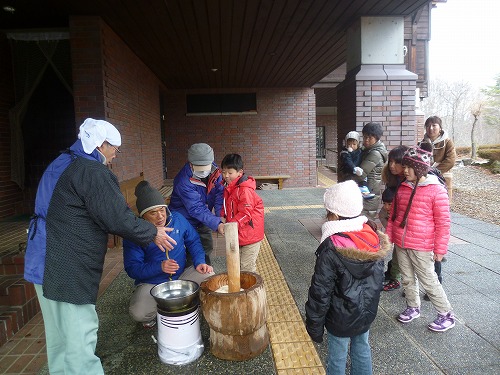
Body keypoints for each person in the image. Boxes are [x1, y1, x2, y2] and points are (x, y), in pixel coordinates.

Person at [23, 118, 177, 374]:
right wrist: (153, 233)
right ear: (102, 144)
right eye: (115, 150)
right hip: (65, 264)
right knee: (80, 335)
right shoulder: (91, 170)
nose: (115, 157)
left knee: (60, 338)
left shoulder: (60, 163)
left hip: (40, 259)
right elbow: (117, 217)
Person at [305, 180, 390, 375]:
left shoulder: (332, 247)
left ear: (333, 214)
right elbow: (375, 282)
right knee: (362, 347)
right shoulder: (372, 237)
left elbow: (321, 291)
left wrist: (314, 325)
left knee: (337, 355)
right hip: (366, 312)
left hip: (340, 317)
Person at [123, 180, 214, 328]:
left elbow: (194, 240)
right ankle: (157, 311)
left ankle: (190, 303)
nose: (160, 216)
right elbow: (132, 268)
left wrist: (199, 261)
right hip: (152, 283)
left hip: (181, 277)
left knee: (209, 276)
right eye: (153, 213)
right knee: (139, 313)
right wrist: (159, 267)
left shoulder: (177, 219)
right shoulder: (135, 234)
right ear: (143, 216)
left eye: (162, 210)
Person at [386, 144, 455, 332]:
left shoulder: (436, 190)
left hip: (422, 246)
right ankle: (413, 307)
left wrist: (440, 249)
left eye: (408, 167)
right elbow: (394, 216)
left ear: (419, 168)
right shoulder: (403, 188)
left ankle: (445, 314)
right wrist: (389, 238)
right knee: (407, 278)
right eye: (404, 166)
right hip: (401, 243)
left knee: (428, 280)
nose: (404, 170)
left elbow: (443, 223)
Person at [168, 143, 224, 265]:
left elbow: (219, 193)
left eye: (206, 166)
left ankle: (205, 273)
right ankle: (191, 277)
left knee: (206, 246)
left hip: (203, 217)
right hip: (185, 219)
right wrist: (217, 224)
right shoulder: (183, 180)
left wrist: (220, 217)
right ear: (191, 164)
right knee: (190, 251)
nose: (204, 170)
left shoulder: (215, 172)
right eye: (199, 167)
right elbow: (195, 208)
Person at [220, 153, 265, 272]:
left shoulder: (244, 190)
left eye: (230, 173)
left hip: (250, 235)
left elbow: (245, 213)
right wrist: (222, 217)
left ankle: (253, 290)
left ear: (240, 173)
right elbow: (225, 206)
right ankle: (241, 288)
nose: (226, 176)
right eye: (224, 172)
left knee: (247, 268)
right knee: (236, 265)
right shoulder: (229, 187)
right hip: (238, 233)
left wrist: (230, 225)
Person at [379, 145, 409, 292]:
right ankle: (395, 278)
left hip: (413, 227)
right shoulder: (392, 179)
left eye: (396, 162)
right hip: (397, 224)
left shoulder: (413, 181)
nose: (392, 166)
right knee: (398, 254)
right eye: (390, 161)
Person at [353, 122, 388, 219]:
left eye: (370, 138)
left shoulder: (375, 154)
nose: (366, 140)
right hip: (367, 192)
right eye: (364, 137)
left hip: (368, 195)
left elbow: (361, 174)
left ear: (377, 138)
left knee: (364, 223)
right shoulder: (367, 150)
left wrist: (346, 177)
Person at [421, 116, 456, 200]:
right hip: (425, 178)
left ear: (440, 128)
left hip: (442, 177)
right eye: (428, 126)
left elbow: (450, 161)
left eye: (434, 125)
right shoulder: (421, 143)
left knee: (441, 203)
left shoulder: (447, 142)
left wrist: (435, 171)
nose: (430, 128)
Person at [338, 131, 375, 199]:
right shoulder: (345, 153)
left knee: (363, 178)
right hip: (348, 172)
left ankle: (364, 191)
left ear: (358, 144)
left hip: (358, 171)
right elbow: (347, 162)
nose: (351, 146)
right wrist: (354, 169)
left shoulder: (360, 151)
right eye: (349, 144)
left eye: (354, 144)